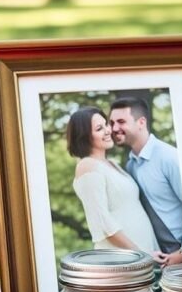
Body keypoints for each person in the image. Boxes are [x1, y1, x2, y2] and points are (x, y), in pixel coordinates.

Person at [65, 107, 160, 255]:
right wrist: (140, 253)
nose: (108, 130)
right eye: (99, 128)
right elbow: (102, 222)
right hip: (123, 256)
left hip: (143, 251)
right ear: (84, 136)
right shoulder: (87, 166)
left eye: (106, 124)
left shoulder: (111, 164)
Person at [109, 97, 182, 266]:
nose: (114, 128)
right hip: (158, 256)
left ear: (141, 122)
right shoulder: (130, 165)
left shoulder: (169, 157)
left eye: (121, 121)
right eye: (112, 123)